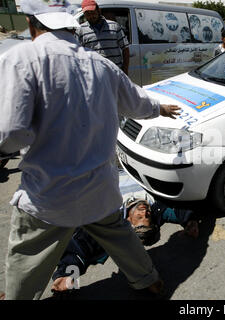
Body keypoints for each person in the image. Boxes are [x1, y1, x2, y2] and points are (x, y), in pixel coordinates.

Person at [0, 0, 181, 300]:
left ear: (33, 25)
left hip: (49, 196)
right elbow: (138, 103)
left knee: (26, 254)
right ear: (73, 26)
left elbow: (9, 134)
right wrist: (160, 107)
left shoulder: (23, 58)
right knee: (120, 237)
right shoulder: (103, 66)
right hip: (98, 190)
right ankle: (150, 279)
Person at [50, 198, 199, 294]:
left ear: (129, 222)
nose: (145, 212)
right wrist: (189, 221)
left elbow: (79, 251)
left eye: (140, 217)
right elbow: (172, 211)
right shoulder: (153, 209)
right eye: (147, 217)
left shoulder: (108, 226)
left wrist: (68, 274)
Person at [76, 0, 130, 75]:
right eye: (87, 14)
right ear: (84, 15)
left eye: (93, 12)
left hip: (115, 73)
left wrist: (125, 71)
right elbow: (78, 54)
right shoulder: (80, 30)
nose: (91, 16)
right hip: (94, 74)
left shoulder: (114, 26)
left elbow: (125, 49)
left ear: (98, 11)